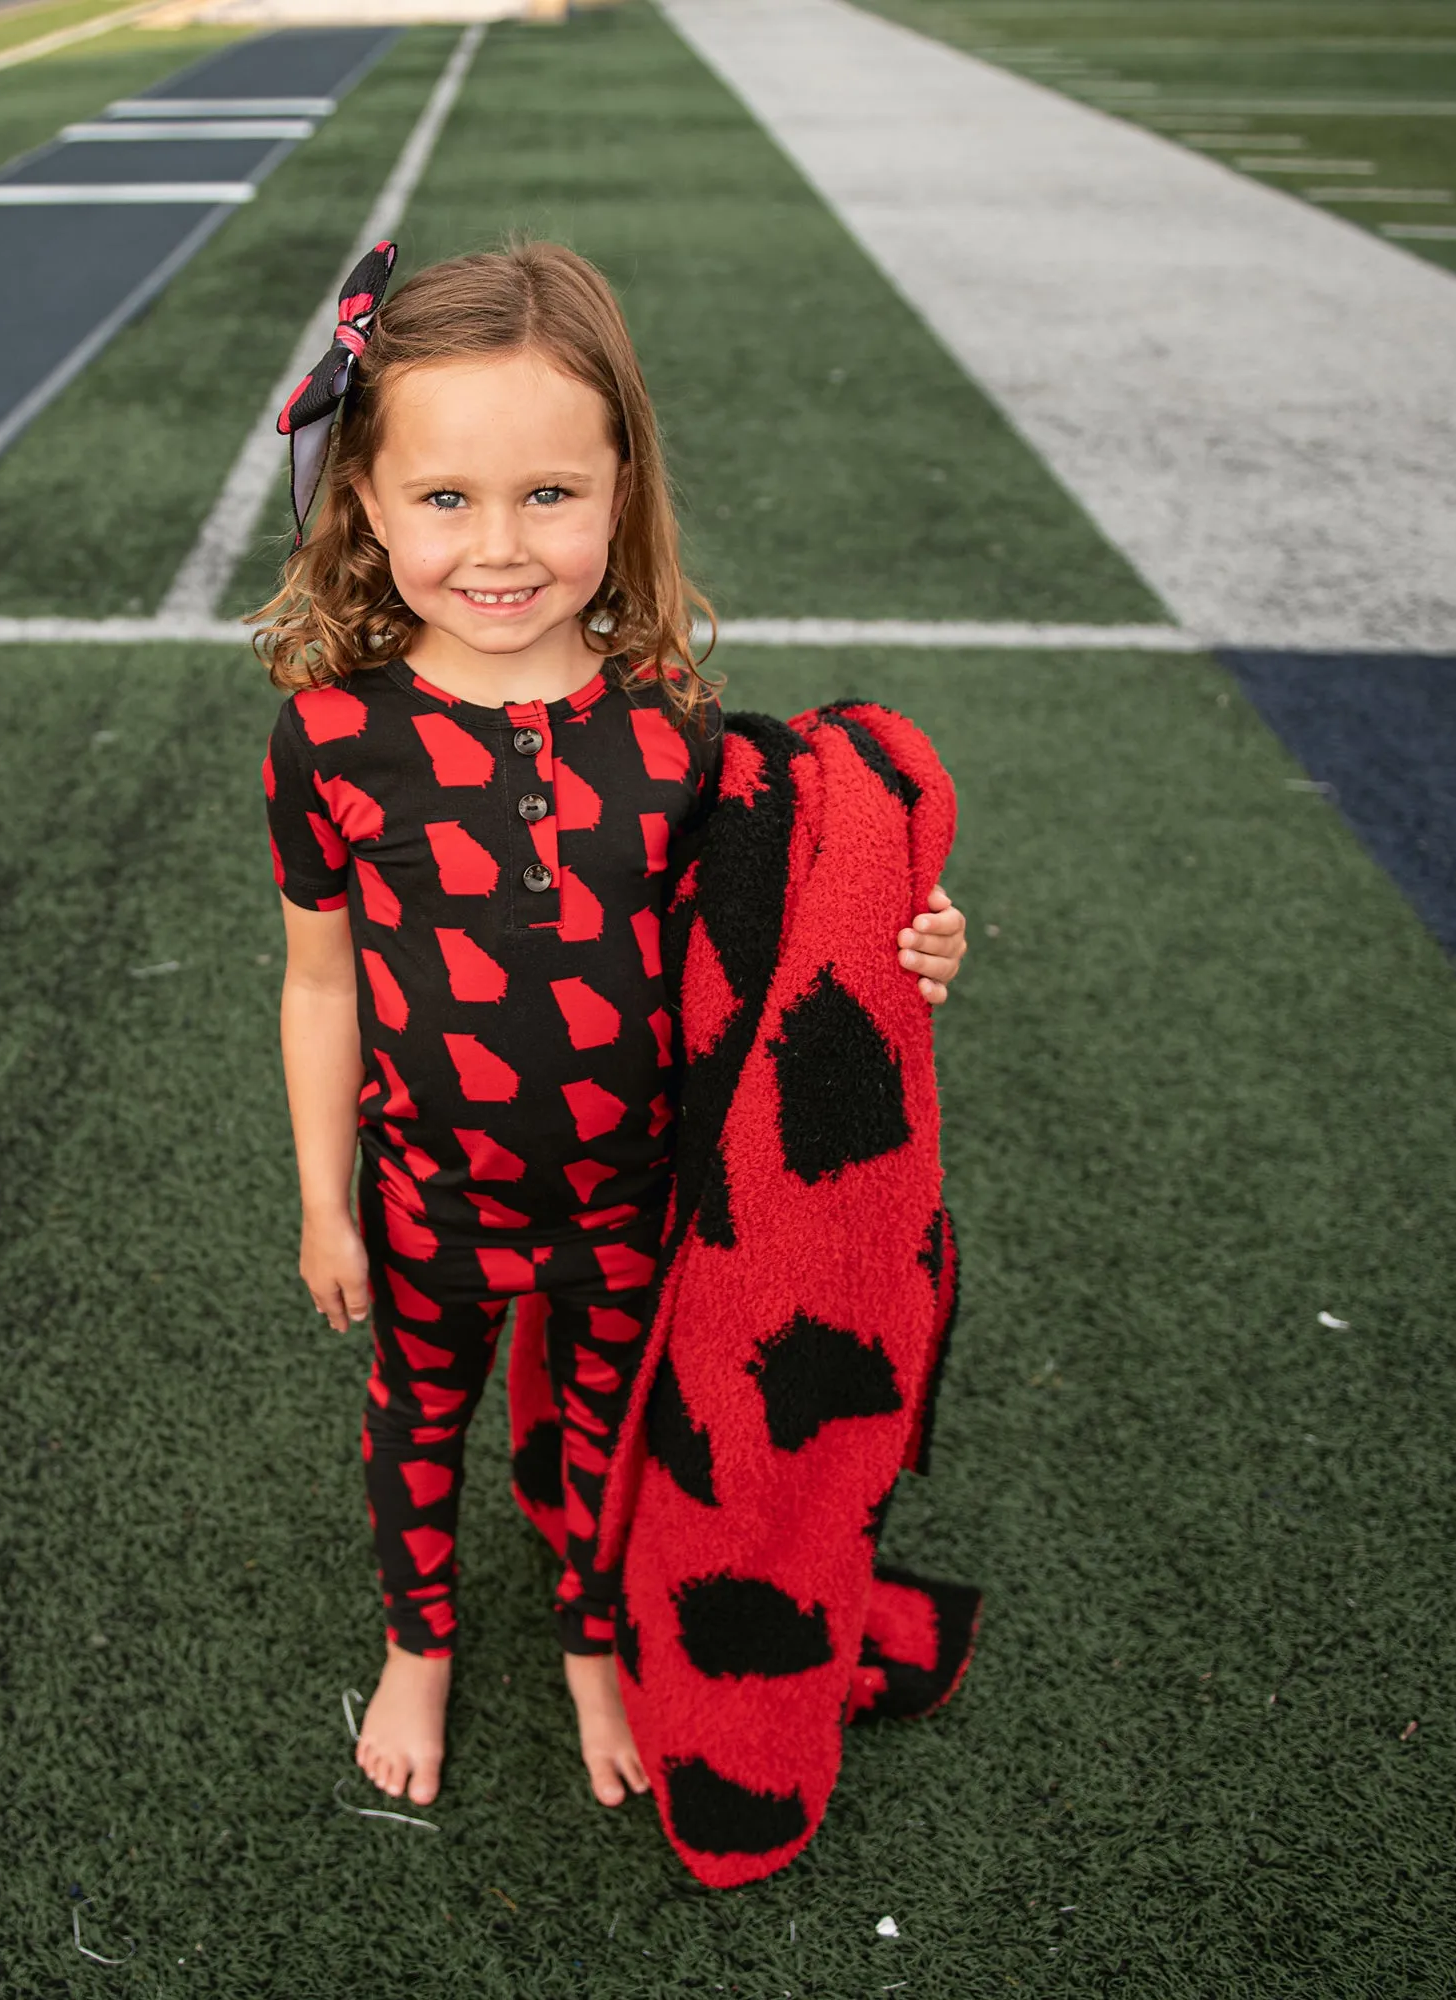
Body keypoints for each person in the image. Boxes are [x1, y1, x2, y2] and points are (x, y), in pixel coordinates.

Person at [254, 241, 968, 1812]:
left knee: (603, 1435)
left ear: (620, 487)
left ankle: (590, 1635)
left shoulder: (674, 728)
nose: (500, 549)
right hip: (431, 1194)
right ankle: (421, 1644)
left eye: (550, 497)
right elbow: (323, 983)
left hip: (633, 1198)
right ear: (363, 500)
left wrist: (907, 947)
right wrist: (325, 1200)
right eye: (445, 499)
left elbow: (781, 963)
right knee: (416, 1423)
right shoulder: (328, 740)